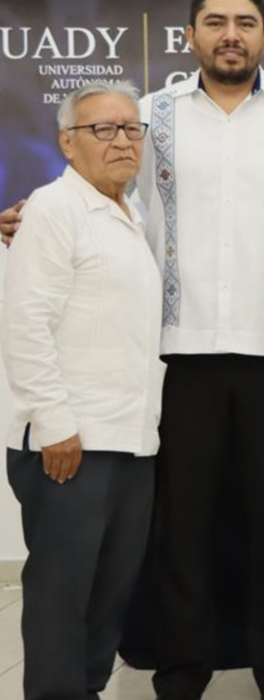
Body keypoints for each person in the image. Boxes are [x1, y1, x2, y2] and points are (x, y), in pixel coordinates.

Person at [0, 0, 264, 699]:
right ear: (189, 36)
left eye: (245, 22)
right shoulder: (149, 117)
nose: (230, 34)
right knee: (179, 529)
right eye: (214, 21)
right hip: (174, 356)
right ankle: (181, 670)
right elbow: (99, 186)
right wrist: (30, 210)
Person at [2, 81, 162, 700]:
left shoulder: (131, 212)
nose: (122, 140)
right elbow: (25, 325)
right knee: (62, 600)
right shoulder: (52, 208)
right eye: (103, 129)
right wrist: (55, 425)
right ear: (68, 143)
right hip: (70, 443)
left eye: (131, 129)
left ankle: (87, 690)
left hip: (131, 439)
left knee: (108, 594)